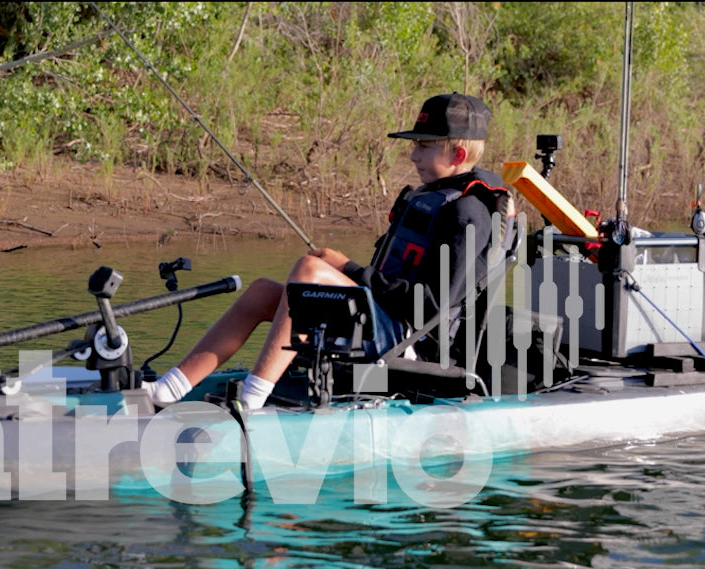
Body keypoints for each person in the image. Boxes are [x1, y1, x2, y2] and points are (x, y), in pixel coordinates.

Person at [144, 92, 513, 410]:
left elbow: (433, 306)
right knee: (261, 292)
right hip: (379, 320)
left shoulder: (469, 211)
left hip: (412, 342)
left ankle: (252, 402)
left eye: (423, 146)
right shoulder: (429, 195)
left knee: (308, 270)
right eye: (414, 145)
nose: (413, 155)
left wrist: (348, 268)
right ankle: (170, 389)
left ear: (458, 152)